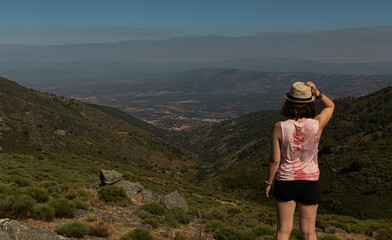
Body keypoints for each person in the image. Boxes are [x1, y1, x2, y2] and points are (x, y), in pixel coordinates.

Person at [265, 81, 335, 240]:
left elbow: (274, 161)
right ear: (310, 103)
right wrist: (318, 93)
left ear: (289, 103)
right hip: (309, 181)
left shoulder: (279, 127)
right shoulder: (317, 125)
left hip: (285, 181)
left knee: (283, 231)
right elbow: (330, 106)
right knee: (309, 232)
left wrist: (269, 183)